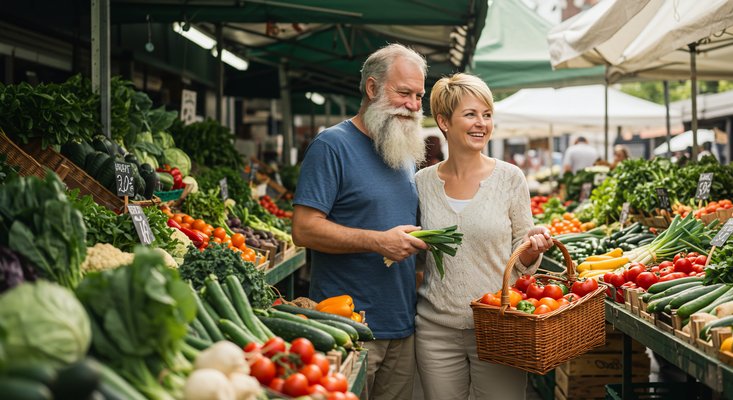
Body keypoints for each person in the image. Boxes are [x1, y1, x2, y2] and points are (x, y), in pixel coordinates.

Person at [292, 43, 430, 400]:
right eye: (404, 93)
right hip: (346, 327)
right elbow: (304, 229)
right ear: (372, 88)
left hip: (402, 324)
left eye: (419, 96)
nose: (414, 106)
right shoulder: (331, 146)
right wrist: (378, 241)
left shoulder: (402, 151)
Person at [414, 73, 554, 400]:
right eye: (471, 114)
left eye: (487, 115)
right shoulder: (421, 183)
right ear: (444, 121)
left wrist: (533, 247)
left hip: (500, 326)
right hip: (436, 331)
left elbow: (523, 263)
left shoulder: (510, 179)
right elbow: (418, 256)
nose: (482, 123)